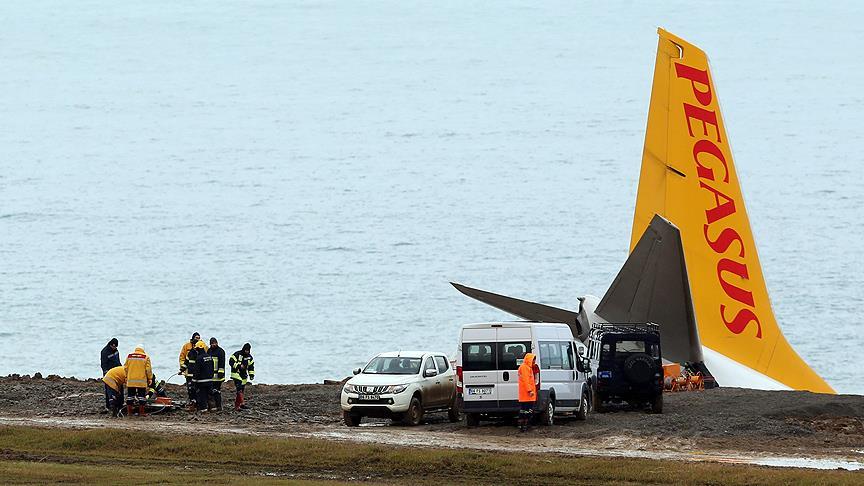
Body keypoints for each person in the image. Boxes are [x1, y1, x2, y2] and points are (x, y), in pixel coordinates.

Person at [124, 345, 153, 417]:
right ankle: (141, 412)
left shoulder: (129, 356)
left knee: (130, 396)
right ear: (143, 350)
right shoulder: (146, 357)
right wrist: (150, 378)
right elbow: (148, 370)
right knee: (141, 397)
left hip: (131, 380)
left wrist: (126, 377)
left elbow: (125, 368)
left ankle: (129, 413)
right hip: (141, 381)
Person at [229, 343, 255, 411]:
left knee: (241, 390)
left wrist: (251, 374)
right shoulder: (237, 354)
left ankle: (238, 405)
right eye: (246, 350)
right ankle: (242, 403)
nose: (247, 351)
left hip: (244, 375)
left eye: (248, 350)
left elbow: (251, 366)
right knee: (239, 389)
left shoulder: (249, 357)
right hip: (236, 374)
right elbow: (231, 362)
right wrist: (239, 366)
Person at [183, 340, 207, 411]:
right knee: (190, 389)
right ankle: (193, 403)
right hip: (190, 375)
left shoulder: (200, 355)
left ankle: (198, 404)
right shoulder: (190, 352)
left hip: (196, 376)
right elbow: (186, 362)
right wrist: (182, 369)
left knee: (197, 390)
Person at [517, 352, 538, 432]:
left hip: (527, 395)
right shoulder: (525, 368)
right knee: (526, 411)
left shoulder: (526, 367)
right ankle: (524, 425)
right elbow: (526, 381)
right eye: (533, 360)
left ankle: (524, 425)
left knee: (526, 410)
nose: (534, 362)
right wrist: (530, 390)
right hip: (527, 394)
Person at [193, 341, 217, 412]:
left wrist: (194, 381)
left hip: (201, 381)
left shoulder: (199, 358)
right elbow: (213, 368)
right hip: (210, 380)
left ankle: (203, 409)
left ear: (198, 349)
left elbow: (197, 371)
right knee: (210, 394)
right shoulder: (209, 357)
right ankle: (213, 408)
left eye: (196, 349)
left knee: (202, 395)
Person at [179, 333, 202, 405]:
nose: (197, 339)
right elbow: (182, 358)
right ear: (192, 338)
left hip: (198, 372)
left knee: (198, 387)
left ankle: (198, 401)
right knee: (190, 387)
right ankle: (192, 401)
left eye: (198, 338)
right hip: (188, 371)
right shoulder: (186, 346)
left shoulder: (202, 345)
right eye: (196, 337)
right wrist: (183, 368)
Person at [100, 338, 122, 413]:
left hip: (117, 373)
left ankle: (120, 405)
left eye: (116, 347)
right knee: (110, 390)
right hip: (109, 374)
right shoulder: (104, 352)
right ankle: (109, 406)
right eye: (113, 346)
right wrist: (106, 375)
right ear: (111, 345)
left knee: (120, 388)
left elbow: (118, 361)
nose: (115, 348)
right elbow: (104, 364)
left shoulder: (116, 351)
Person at [208, 337, 226, 411]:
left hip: (218, 376)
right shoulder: (209, 351)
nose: (214, 345)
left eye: (215, 343)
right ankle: (212, 406)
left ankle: (219, 406)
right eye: (212, 343)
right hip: (211, 375)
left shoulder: (220, 351)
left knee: (217, 391)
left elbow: (222, 363)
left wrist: (220, 372)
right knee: (210, 391)